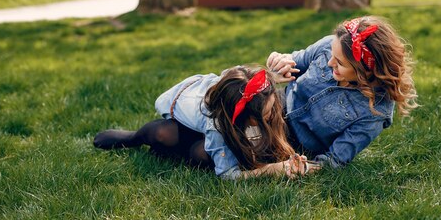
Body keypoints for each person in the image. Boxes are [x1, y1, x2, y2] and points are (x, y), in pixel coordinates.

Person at [93, 66, 310, 179]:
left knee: (201, 153)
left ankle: (174, 153)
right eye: (268, 111)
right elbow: (228, 175)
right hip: (185, 110)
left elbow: (246, 77)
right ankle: (133, 138)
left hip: (220, 117)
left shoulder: (253, 93)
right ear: (247, 118)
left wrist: (273, 75)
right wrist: (271, 170)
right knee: (163, 133)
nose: (274, 112)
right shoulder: (216, 126)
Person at [267, 15, 418, 168]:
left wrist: (303, 167)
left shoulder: (375, 111)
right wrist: (279, 63)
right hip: (276, 103)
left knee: (249, 144)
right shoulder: (330, 44)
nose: (329, 62)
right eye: (332, 55)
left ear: (365, 71)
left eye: (339, 63)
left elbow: (334, 160)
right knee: (243, 87)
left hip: (291, 142)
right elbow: (294, 61)